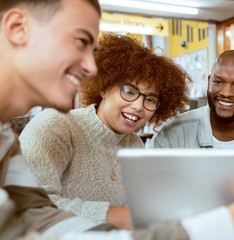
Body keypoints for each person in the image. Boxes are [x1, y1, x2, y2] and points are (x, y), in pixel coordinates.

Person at [0, 0, 234, 240]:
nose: (89, 66)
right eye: (79, 42)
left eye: (151, 99)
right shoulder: (54, 126)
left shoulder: (8, 139)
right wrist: (222, 231)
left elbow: (38, 216)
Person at [19, 34, 189, 229]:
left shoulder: (134, 145)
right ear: (104, 87)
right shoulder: (56, 126)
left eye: (150, 99)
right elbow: (29, 208)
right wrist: (117, 216)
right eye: (129, 91)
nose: (138, 106)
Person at [149, 50, 234, 184]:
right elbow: (148, 191)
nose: (226, 93)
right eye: (218, 82)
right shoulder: (173, 134)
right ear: (209, 81)